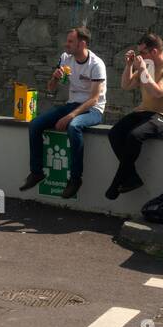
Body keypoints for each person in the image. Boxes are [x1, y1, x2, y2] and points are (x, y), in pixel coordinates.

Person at [20, 27, 106, 200]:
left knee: (74, 127)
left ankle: (75, 179)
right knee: (35, 124)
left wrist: (70, 116)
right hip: (71, 104)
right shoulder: (66, 58)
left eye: (70, 41)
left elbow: (94, 99)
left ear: (82, 43)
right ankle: (36, 172)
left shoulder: (96, 64)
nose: (66, 44)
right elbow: (50, 89)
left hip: (93, 110)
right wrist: (55, 78)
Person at [106, 32, 163, 200]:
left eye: (143, 52)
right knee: (115, 133)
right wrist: (129, 66)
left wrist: (143, 71)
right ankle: (132, 177)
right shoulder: (147, 64)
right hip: (144, 112)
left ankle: (117, 182)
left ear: (154, 51)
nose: (140, 56)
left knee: (134, 136)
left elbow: (158, 92)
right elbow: (126, 85)